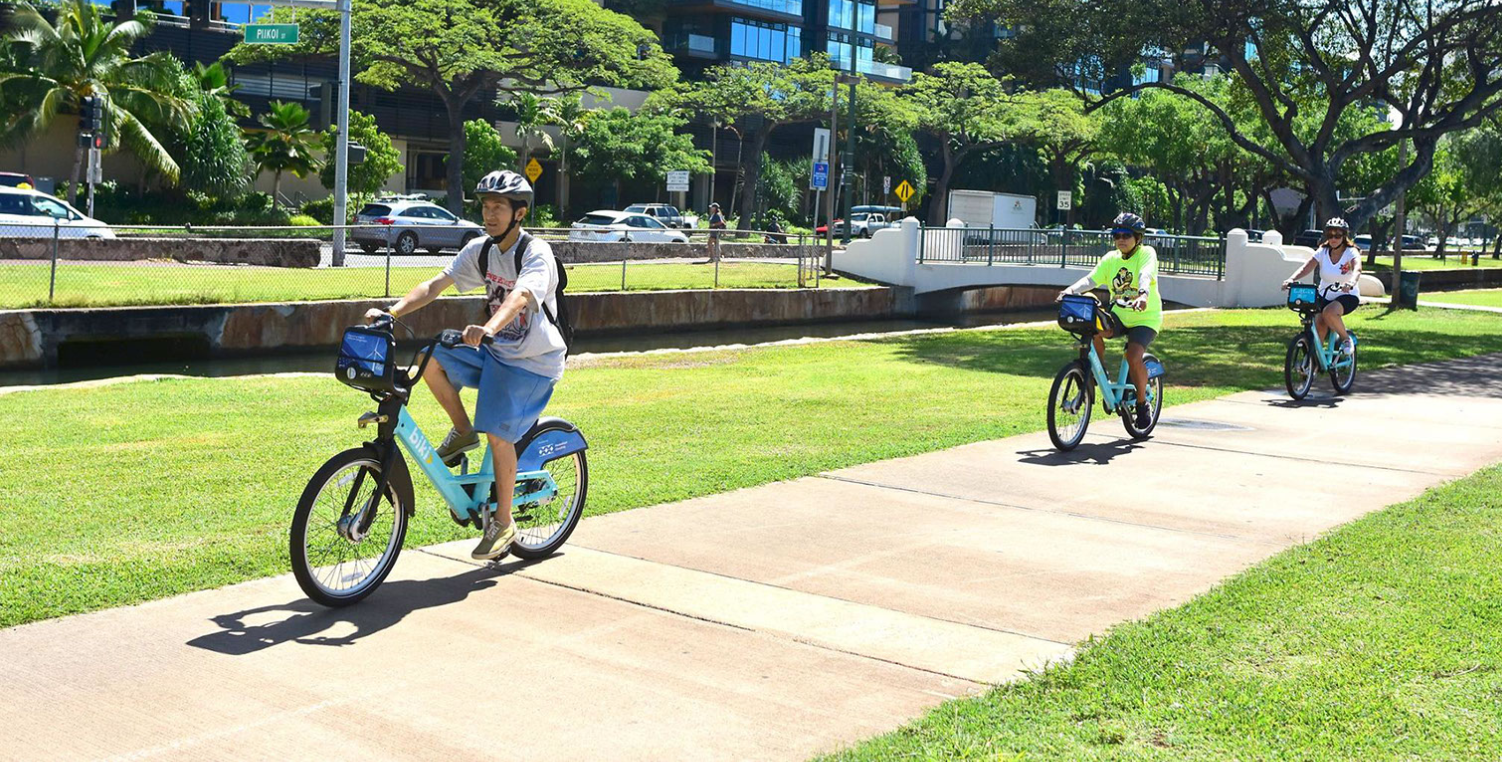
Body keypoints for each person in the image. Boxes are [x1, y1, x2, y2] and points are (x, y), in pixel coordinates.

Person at [364, 170, 567, 561]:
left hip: (532, 361)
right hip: (494, 350)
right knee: (430, 358)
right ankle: (461, 431)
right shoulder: (481, 249)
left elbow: (522, 296)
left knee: (497, 433)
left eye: (499, 208)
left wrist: (488, 327)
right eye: (486, 207)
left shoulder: (535, 252)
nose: (489, 215)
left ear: (519, 213)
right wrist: (391, 311)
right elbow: (436, 284)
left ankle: (504, 523)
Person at [1056, 212, 1163, 428]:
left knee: (1134, 356)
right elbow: (1090, 279)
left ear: (1138, 237)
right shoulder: (1110, 259)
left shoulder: (1146, 254)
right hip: (1120, 314)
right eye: (1116, 235)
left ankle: (1142, 404)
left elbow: (1145, 274)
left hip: (1146, 317)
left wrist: (1143, 295)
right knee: (1092, 328)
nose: (1121, 239)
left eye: (1126, 235)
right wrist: (1068, 291)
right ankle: (1098, 371)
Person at [1282, 217, 1361, 355]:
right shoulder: (1322, 251)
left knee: (1329, 313)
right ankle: (1313, 364)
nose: (1333, 239)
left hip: (1347, 295)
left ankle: (1346, 339)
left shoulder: (1350, 252)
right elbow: (1307, 267)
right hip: (1324, 295)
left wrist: (1351, 282)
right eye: (1330, 235)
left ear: (1344, 236)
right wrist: (1291, 279)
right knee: (1319, 324)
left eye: (1337, 235)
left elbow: (1357, 269)